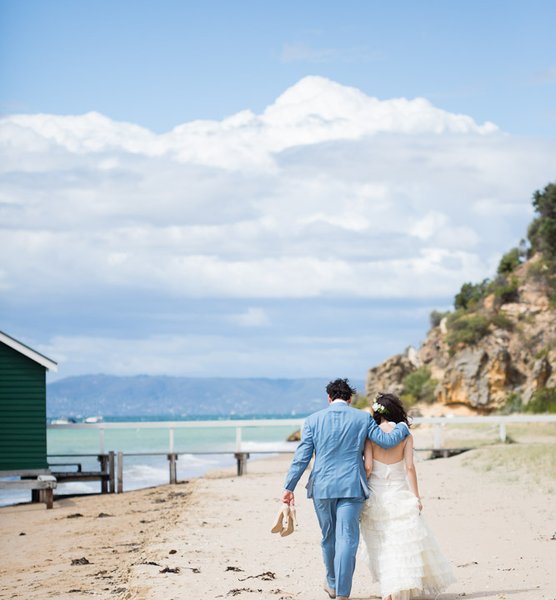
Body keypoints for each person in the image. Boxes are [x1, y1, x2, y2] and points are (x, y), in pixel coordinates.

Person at [281, 379, 410, 600]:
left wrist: (288, 487)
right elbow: (386, 441)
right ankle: (342, 592)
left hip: (322, 486)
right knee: (348, 538)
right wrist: (403, 427)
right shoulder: (362, 418)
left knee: (328, 536)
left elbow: (301, 458)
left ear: (329, 398)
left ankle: (331, 582)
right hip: (352, 486)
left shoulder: (312, 420)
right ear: (350, 399)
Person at [360, 392, 456, 600]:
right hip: (399, 492)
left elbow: (367, 467)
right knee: (401, 543)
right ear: (396, 411)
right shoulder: (405, 435)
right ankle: (398, 587)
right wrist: (417, 497)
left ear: (377, 413)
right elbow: (410, 467)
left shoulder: (371, 436)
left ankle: (389, 588)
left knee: (382, 544)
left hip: (377, 494)